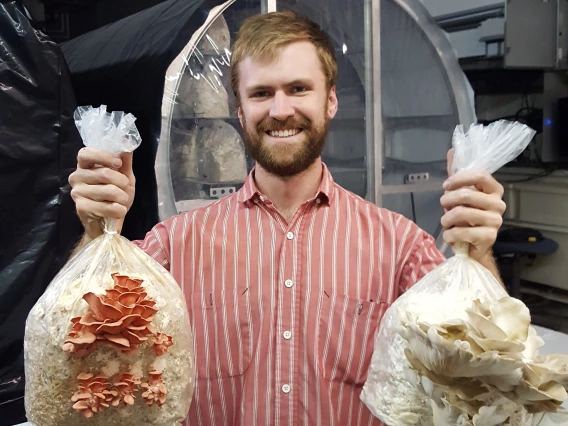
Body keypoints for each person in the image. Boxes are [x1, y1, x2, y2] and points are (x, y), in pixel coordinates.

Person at [68, 11, 506, 426]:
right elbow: (81, 341)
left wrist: (478, 251)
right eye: (261, 93)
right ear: (240, 112)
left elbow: (481, 365)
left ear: (330, 100)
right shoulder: (175, 244)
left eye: (298, 88)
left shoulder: (399, 246)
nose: (280, 110)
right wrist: (96, 228)